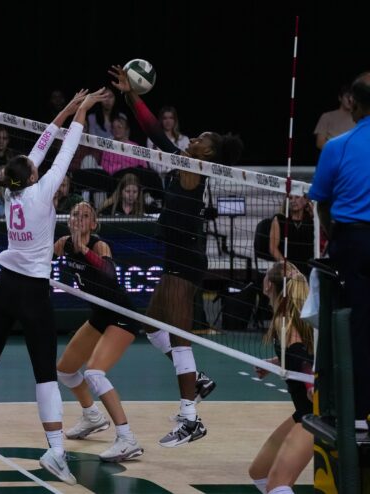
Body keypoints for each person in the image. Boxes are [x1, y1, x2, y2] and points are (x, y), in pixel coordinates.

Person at [0, 88, 107, 486]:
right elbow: (63, 150)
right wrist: (85, 111)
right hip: (32, 293)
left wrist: (67, 108)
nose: (37, 166)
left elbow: (41, 146)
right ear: (32, 176)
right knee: (45, 373)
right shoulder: (43, 192)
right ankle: (57, 452)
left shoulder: (13, 193)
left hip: (4, 285)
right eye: (33, 167)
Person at [110, 64, 243, 446]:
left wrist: (132, 96)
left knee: (181, 338)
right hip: (177, 254)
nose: (191, 139)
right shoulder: (182, 161)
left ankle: (190, 418)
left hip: (186, 260)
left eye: (199, 138)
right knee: (151, 325)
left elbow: (157, 133)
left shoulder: (196, 166)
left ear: (209, 152)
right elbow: (155, 131)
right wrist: (130, 94)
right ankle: (198, 381)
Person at [55, 202, 143, 462]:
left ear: (93, 224)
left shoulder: (98, 246)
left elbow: (108, 274)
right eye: (75, 214)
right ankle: (92, 416)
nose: (79, 218)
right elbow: (39, 257)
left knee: (94, 372)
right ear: (68, 220)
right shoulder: (63, 244)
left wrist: (83, 250)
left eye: (85, 216)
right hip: (101, 315)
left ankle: (127, 438)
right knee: (65, 370)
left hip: (121, 315)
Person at [308, 71, 370, 423]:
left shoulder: (337, 146)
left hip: (353, 243)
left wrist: (338, 240)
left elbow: (321, 203)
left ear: (354, 106)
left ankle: (359, 415)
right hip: (354, 240)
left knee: (356, 328)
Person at [248, 262, 314, 494]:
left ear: (268, 285)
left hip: (315, 414)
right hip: (303, 410)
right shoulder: (294, 317)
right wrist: (276, 363)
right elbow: (303, 354)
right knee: (259, 473)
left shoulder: (284, 322)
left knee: (278, 483)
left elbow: (304, 362)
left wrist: (309, 384)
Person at [268, 195, 314, 278]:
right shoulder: (279, 219)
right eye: (290, 198)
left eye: (297, 197)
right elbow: (273, 248)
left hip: (309, 267)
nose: (293, 201)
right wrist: (287, 267)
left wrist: (314, 214)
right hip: (287, 267)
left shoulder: (312, 220)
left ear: (306, 199)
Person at [314, 84, 355, 151]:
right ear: (340, 98)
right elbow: (320, 143)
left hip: (353, 157)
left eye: (353, 97)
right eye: (347, 96)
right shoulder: (327, 116)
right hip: (333, 157)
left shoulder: (360, 118)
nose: (350, 100)